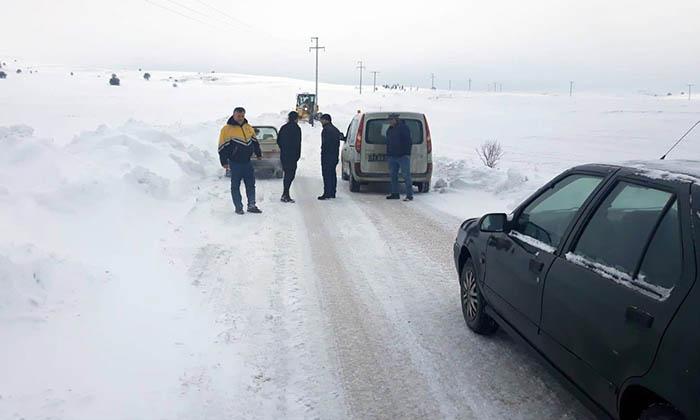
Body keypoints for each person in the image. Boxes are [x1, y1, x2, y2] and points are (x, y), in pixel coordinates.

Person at [218, 107, 263, 215]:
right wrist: (224, 162)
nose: (240, 118)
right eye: (238, 116)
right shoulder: (226, 129)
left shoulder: (248, 127)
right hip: (235, 163)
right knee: (235, 186)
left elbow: (255, 142)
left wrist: (258, 153)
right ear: (233, 115)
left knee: (251, 185)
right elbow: (221, 146)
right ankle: (238, 207)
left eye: (242, 116)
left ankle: (251, 205)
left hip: (247, 162)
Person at [386, 113, 413, 201]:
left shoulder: (404, 128)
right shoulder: (390, 129)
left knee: (406, 175)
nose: (390, 121)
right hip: (392, 156)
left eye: (391, 120)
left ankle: (409, 195)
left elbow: (408, 141)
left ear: (396, 119)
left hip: (402, 156)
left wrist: (405, 152)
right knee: (393, 175)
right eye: (389, 120)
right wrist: (389, 153)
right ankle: (395, 193)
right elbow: (388, 142)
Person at [277, 111, 302, 203]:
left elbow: (278, 141)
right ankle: (285, 194)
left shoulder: (283, 128)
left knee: (287, 174)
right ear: (296, 119)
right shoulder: (296, 128)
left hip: (284, 155)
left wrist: (283, 149)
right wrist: (297, 155)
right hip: (292, 156)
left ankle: (285, 193)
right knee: (290, 175)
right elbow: (298, 143)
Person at [318, 113, 341, 200]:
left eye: (322, 120)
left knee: (326, 174)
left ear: (326, 120)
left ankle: (327, 193)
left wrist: (324, 152)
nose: (321, 122)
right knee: (332, 174)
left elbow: (325, 144)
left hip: (327, 155)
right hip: (334, 155)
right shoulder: (335, 129)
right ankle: (332, 192)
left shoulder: (326, 130)